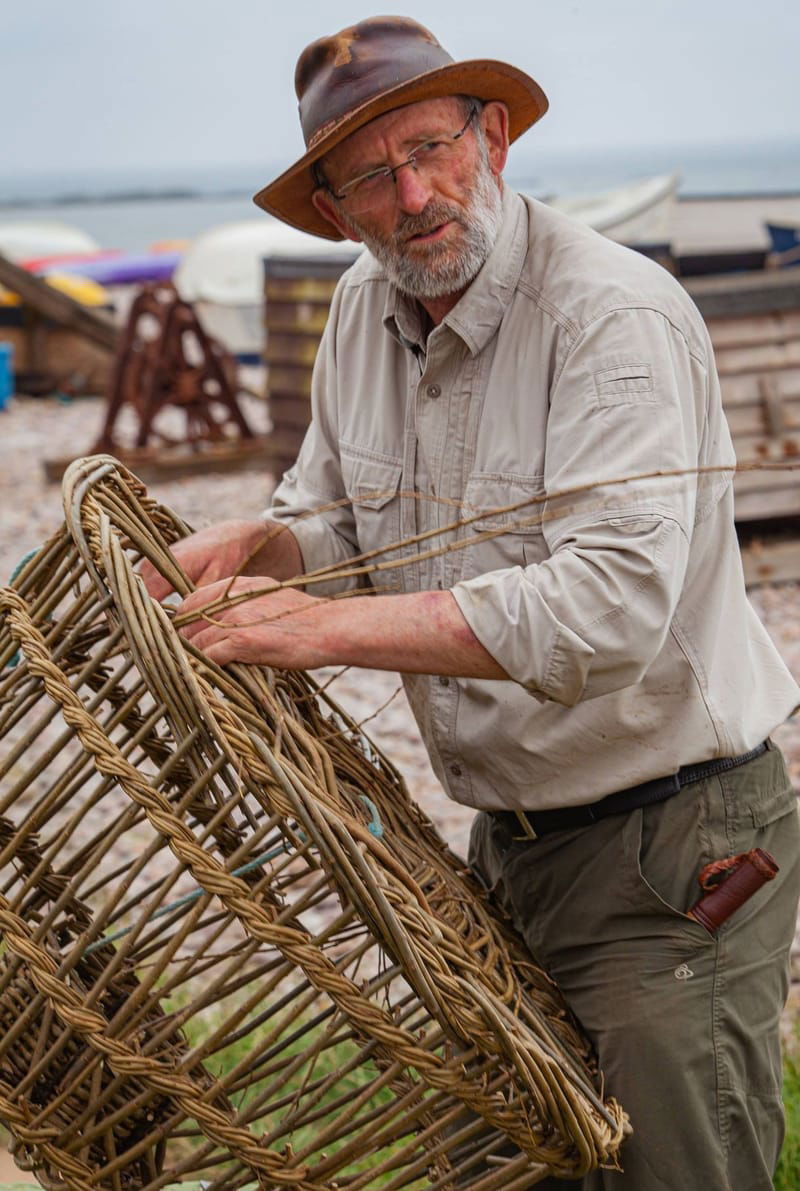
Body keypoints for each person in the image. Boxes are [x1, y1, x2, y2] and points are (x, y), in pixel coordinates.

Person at [142, 16, 800, 1188]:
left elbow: (604, 611)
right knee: (506, 1163)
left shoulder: (611, 319)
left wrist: (311, 630)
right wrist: (267, 545)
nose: (413, 194)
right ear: (337, 209)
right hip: (508, 848)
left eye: (432, 149)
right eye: (370, 178)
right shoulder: (359, 311)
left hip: (677, 849)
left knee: (679, 1170)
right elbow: (343, 525)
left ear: (490, 137)